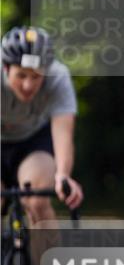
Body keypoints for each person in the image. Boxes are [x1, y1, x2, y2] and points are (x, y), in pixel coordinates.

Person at [1, 26, 84, 216]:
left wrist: (63, 175)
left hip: (33, 141)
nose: (28, 85)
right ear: (6, 69)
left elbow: (63, 131)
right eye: (21, 75)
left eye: (36, 76)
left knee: (37, 201)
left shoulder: (58, 77)